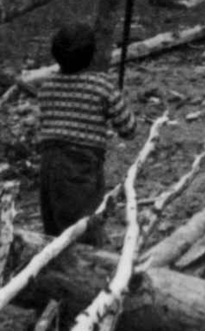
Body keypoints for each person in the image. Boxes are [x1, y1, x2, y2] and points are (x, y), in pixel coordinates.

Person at [38, 22, 136, 247]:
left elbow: (45, 125)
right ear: (91, 55)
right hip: (81, 163)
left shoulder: (47, 87)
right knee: (85, 219)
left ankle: (54, 259)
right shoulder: (102, 87)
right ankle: (91, 261)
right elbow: (129, 130)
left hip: (49, 162)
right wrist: (120, 102)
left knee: (54, 219)